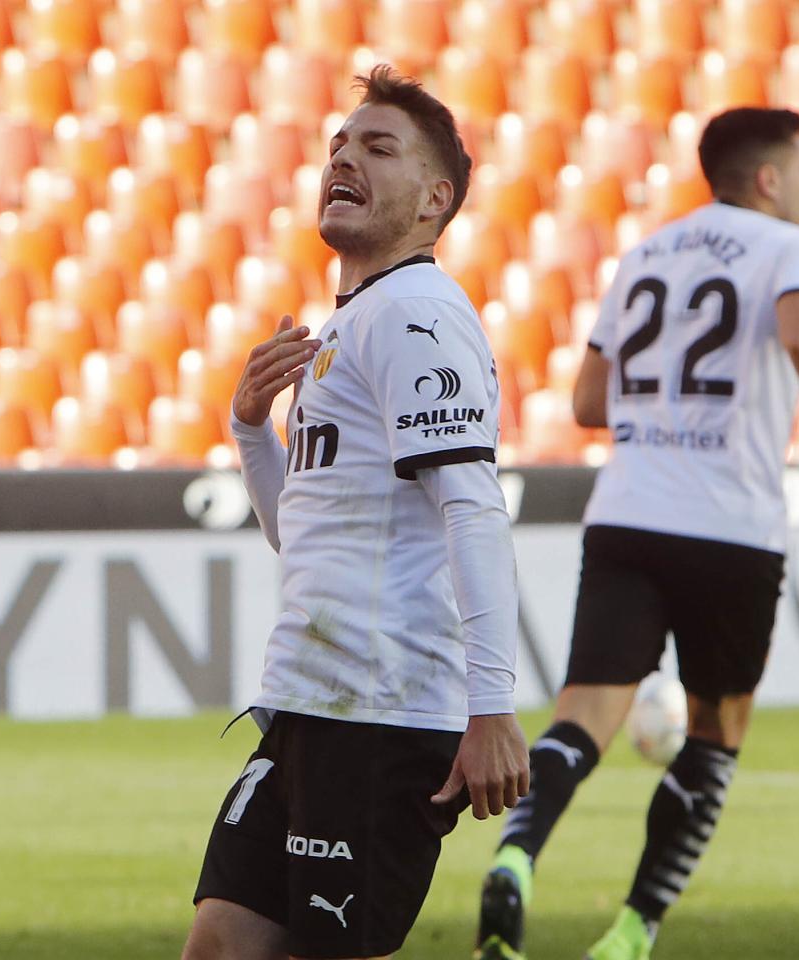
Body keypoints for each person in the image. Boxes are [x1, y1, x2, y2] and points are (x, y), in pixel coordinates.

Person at [472, 107, 799, 960]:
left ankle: (517, 856)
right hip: (730, 527)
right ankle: (632, 932)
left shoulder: (645, 256)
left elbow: (590, 402)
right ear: (769, 179)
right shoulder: (798, 251)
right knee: (716, 730)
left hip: (628, 517)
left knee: (581, 719)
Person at [181, 65, 530, 960]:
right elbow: (302, 536)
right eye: (339, 144)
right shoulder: (349, 325)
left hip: (380, 716)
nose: (344, 157)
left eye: (379, 147)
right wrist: (251, 429)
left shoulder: (415, 315)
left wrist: (492, 705)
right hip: (311, 703)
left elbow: (473, 509)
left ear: (433, 200)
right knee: (221, 943)